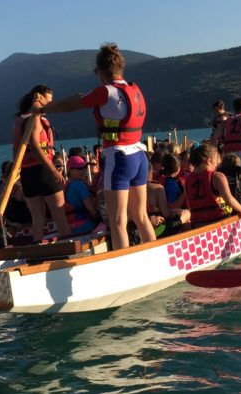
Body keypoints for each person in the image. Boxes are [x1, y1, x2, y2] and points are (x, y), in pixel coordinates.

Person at [41, 44, 156, 250]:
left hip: (119, 158)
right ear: (120, 68)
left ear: (100, 72)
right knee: (141, 216)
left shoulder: (105, 92)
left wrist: (44, 108)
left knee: (117, 221)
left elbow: (73, 103)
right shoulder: (135, 89)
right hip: (139, 156)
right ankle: (154, 255)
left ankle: (123, 263)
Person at [13, 85, 73, 243]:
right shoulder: (35, 119)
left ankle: (36, 246)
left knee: (37, 219)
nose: (50, 105)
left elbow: (15, 149)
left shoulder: (20, 119)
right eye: (48, 101)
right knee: (60, 217)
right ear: (38, 98)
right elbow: (34, 146)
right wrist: (53, 171)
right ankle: (68, 246)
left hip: (27, 173)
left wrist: (16, 171)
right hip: (43, 171)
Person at [183, 142, 241, 226]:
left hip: (197, 224)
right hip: (217, 223)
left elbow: (190, 205)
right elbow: (230, 200)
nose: (216, 166)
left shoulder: (188, 180)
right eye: (216, 163)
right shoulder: (217, 177)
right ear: (209, 161)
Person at [63, 155, 98, 236]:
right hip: (85, 226)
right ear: (70, 170)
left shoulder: (68, 185)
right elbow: (93, 211)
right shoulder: (78, 184)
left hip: (72, 226)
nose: (84, 170)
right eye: (79, 169)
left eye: (84, 167)